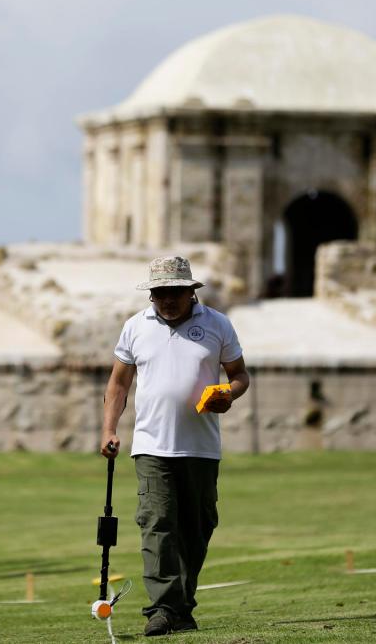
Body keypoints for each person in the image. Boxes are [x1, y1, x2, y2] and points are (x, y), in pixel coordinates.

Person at [101, 256, 250, 637]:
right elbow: (118, 386)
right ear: (151, 294)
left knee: (197, 529)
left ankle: (181, 607)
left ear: (191, 291)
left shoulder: (218, 324)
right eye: (159, 293)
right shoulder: (135, 326)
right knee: (157, 524)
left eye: (174, 292)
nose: (166, 300)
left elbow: (239, 375)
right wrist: (108, 430)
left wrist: (229, 395)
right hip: (151, 446)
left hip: (201, 447)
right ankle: (163, 609)